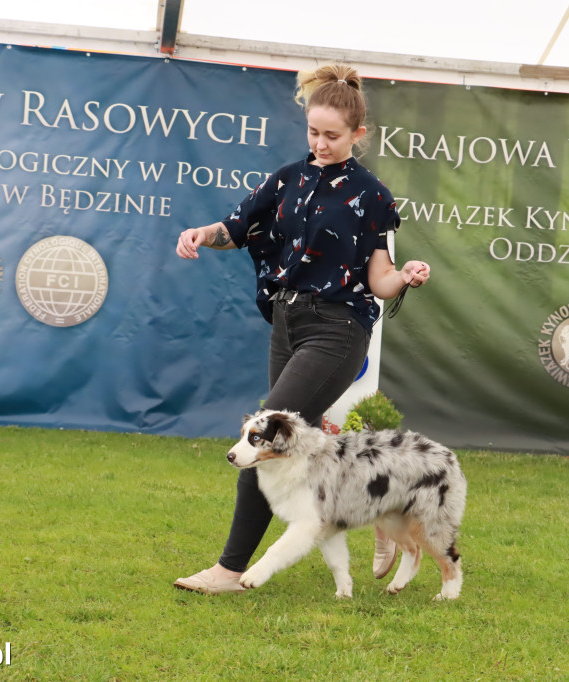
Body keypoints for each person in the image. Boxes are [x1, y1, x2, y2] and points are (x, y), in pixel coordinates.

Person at [173, 64, 431, 595]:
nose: (320, 143)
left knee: (262, 437)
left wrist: (404, 276)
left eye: (332, 135)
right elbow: (235, 229)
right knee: (300, 450)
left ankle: (229, 569)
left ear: (359, 135)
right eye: (313, 132)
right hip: (287, 323)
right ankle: (379, 512)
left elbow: (379, 279)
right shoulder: (287, 177)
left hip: (338, 329)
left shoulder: (373, 195)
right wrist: (203, 233)